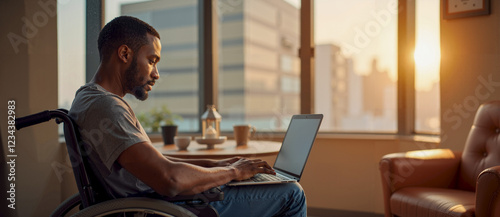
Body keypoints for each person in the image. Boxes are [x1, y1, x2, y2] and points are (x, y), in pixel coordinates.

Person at [69, 16, 306, 216]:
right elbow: (169, 180)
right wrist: (234, 172)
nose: (157, 74)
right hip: (164, 208)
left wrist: (217, 165)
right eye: (152, 61)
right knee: (292, 193)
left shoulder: (91, 99)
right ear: (124, 54)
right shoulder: (106, 106)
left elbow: (159, 166)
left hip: (158, 201)